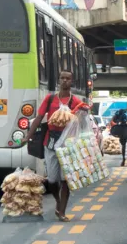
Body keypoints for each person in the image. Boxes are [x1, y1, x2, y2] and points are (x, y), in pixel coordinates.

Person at [22, 70, 83, 222]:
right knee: (52, 180)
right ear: (58, 81)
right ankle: (58, 201)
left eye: (67, 78)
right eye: (62, 78)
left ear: (71, 81)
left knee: (65, 179)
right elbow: (39, 118)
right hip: (50, 143)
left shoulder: (75, 101)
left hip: (67, 145)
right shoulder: (50, 99)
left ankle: (62, 210)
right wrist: (28, 136)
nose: (64, 81)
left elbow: (80, 123)